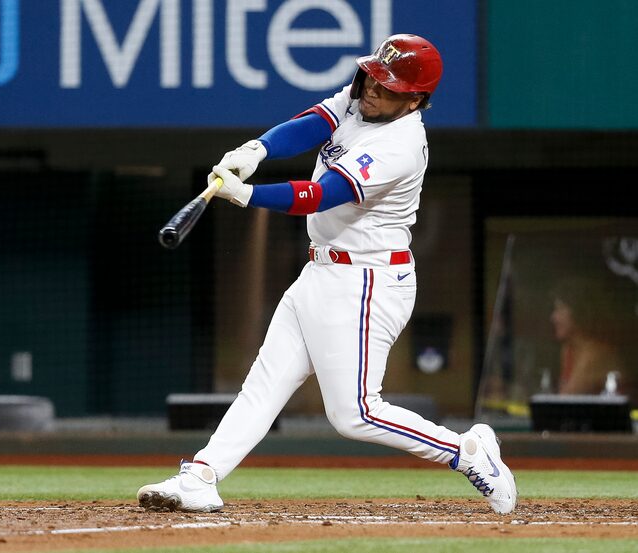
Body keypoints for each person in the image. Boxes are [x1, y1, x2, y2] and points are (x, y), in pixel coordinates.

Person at [138, 34, 517, 515]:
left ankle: (467, 453)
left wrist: (249, 195)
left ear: (416, 99)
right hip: (322, 271)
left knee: (355, 414)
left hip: (367, 282)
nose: (373, 90)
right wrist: (257, 149)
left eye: (389, 85)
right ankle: (201, 476)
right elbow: (315, 122)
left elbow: (321, 195)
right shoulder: (366, 98)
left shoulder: (400, 142)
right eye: (373, 77)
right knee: (265, 382)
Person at [549, 277, 628, 395]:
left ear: (578, 310)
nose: (553, 317)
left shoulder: (595, 355)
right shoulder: (568, 350)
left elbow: (565, 400)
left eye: (560, 309)